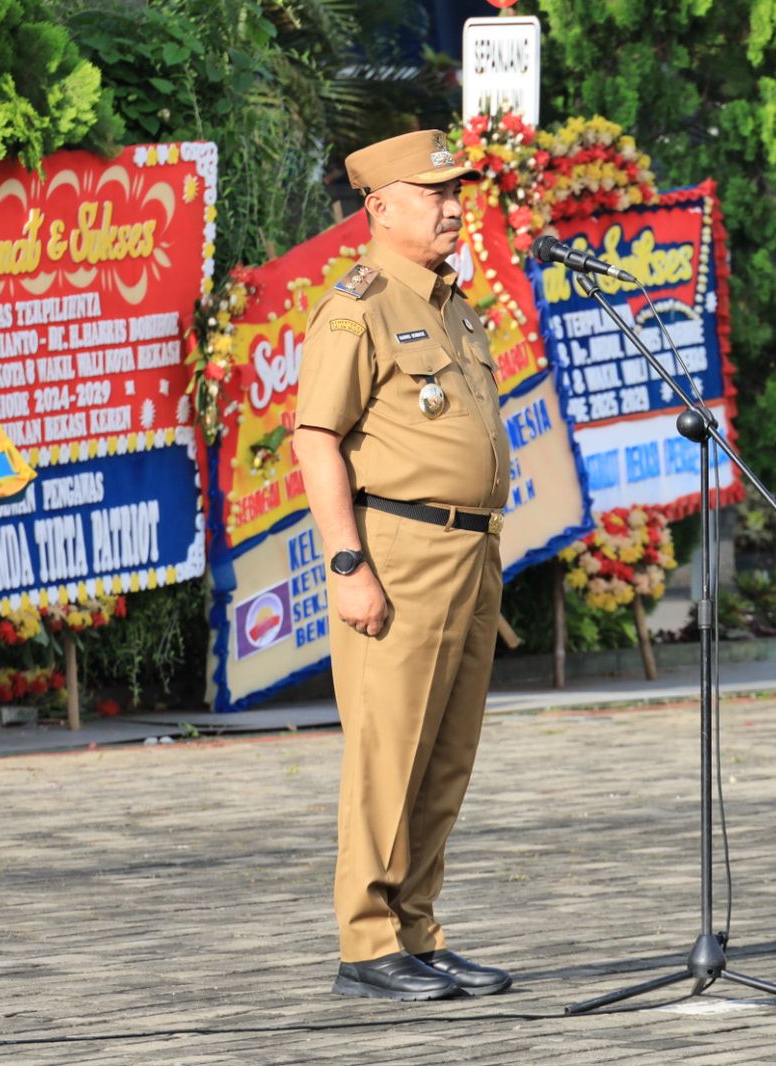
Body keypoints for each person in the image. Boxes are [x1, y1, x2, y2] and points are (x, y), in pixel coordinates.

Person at [294, 129, 512, 1001]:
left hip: (472, 548)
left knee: (447, 754)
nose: (454, 206)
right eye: (434, 194)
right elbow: (317, 439)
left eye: (456, 191)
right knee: (390, 751)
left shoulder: (454, 305)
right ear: (380, 208)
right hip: (398, 549)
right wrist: (348, 562)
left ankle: (418, 930)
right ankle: (368, 944)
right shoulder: (359, 307)